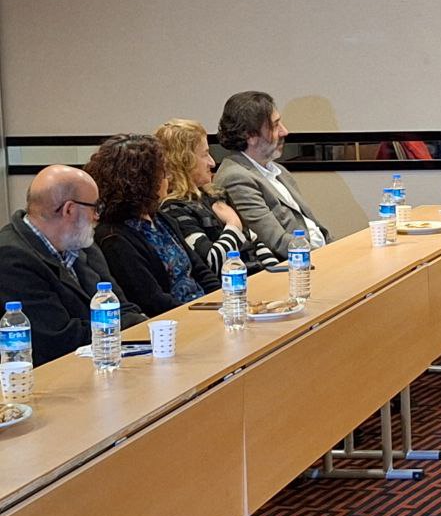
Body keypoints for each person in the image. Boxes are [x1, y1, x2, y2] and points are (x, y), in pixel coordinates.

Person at [0, 165, 147, 365]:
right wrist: (125, 325)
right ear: (69, 209)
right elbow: (59, 339)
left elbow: (120, 306)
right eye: (95, 207)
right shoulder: (11, 259)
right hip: (54, 374)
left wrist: (137, 323)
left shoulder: (82, 244)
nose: (97, 217)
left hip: (107, 360)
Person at [86, 135, 220, 318]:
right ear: (143, 181)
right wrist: (204, 314)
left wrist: (222, 300)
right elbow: (153, 301)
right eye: (163, 173)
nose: (168, 178)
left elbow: (201, 270)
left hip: (204, 309)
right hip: (176, 320)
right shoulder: (113, 238)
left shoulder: (161, 218)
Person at [213, 91, 329, 259]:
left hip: (319, 254)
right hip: (298, 265)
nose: (284, 132)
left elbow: (315, 228)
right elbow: (277, 243)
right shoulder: (236, 178)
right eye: (275, 126)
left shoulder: (278, 171)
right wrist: (328, 258)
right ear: (250, 135)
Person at [155, 118, 278, 274]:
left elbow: (253, 241)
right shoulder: (174, 209)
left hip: (258, 278)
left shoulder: (215, 195)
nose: (212, 163)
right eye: (205, 155)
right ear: (184, 161)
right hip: (233, 284)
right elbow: (212, 262)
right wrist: (233, 223)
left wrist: (276, 272)